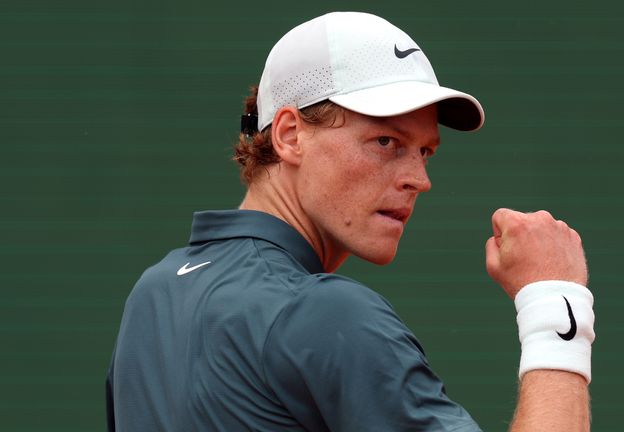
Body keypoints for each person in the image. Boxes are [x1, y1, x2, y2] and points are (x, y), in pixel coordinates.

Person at [106, 11, 595, 432]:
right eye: (386, 142)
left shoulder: (154, 294)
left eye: (425, 151)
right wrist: (554, 302)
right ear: (290, 135)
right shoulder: (325, 313)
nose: (419, 179)